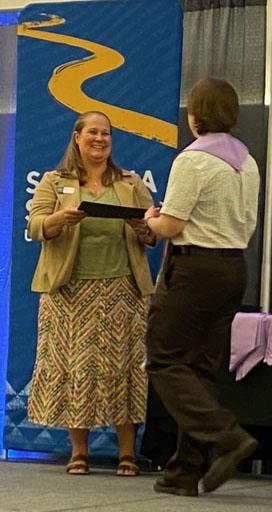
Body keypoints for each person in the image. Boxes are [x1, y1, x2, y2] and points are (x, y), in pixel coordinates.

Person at [144, 77, 260, 497]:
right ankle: (184, 471)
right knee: (200, 367)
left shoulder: (191, 160)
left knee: (164, 359)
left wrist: (151, 219)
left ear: (195, 116)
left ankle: (226, 436)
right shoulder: (247, 162)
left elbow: (171, 225)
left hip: (195, 269)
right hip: (233, 268)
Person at [27, 111, 156, 476]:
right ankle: (79, 453)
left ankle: (127, 454)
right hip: (69, 292)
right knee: (76, 369)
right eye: (93, 133)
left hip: (123, 291)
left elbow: (153, 234)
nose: (101, 139)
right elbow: (36, 226)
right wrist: (58, 220)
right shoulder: (55, 182)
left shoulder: (129, 183)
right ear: (77, 137)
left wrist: (143, 228)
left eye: (107, 134)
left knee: (125, 369)